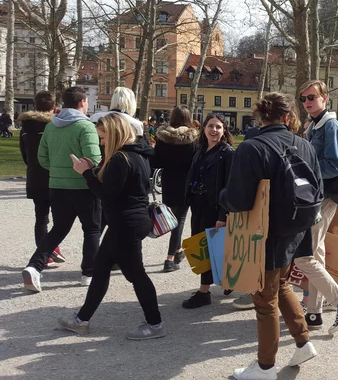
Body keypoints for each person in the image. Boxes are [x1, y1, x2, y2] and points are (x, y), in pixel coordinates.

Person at [221, 93, 319, 380]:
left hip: (265, 232)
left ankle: (265, 367)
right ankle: (302, 342)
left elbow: (238, 200)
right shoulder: (304, 145)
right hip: (297, 228)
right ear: (287, 117)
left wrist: (221, 196)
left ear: (260, 117)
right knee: (282, 284)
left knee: (264, 300)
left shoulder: (251, 147)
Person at [59, 113, 165, 340]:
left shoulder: (120, 158)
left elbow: (106, 195)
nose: (101, 142)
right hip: (130, 221)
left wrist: (85, 173)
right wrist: (93, 169)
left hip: (125, 222)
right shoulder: (138, 154)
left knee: (136, 274)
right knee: (101, 268)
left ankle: (155, 324)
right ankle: (82, 319)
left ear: (115, 134)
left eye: (103, 137)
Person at [22, 87, 102, 292]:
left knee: (58, 228)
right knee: (92, 229)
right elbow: (94, 159)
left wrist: (58, 171)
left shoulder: (51, 127)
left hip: (57, 186)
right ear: (83, 101)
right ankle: (88, 272)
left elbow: (42, 159)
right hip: (83, 186)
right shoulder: (85, 127)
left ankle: (35, 266)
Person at [295, 79, 338, 333]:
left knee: (306, 255)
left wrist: (303, 172)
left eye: (312, 97)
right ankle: (314, 312)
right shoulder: (314, 125)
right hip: (319, 195)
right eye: (304, 99)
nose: (308, 102)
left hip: (325, 196)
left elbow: (334, 165)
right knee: (317, 251)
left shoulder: (330, 126)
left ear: (325, 98)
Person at [181, 114, 235, 309]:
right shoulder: (201, 151)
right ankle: (228, 281)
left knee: (209, 249)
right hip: (198, 206)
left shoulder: (227, 153)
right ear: (203, 129)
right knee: (204, 246)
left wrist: (223, 215)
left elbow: (230, 186)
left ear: (224, 131)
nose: (214, 130)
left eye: (218, 127)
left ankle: (204, 292)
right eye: (210, 126)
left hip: (214, 209)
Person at [19, 91, 66, 266]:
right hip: (56, 175)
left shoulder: (26, 127)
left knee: (41, 218)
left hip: (35, 176)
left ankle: (45, 254)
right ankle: (51, 249)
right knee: (60, 218)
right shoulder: (57, 126)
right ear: (53, 107)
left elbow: (24, 154)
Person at [150, 106, 199, 272]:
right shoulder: (193, 139)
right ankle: (170, 258)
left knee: (172, 217)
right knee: (179, 220)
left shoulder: (164, 138)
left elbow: (156, 162)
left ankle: (177, 251)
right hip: (186, 182)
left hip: (169, 181)